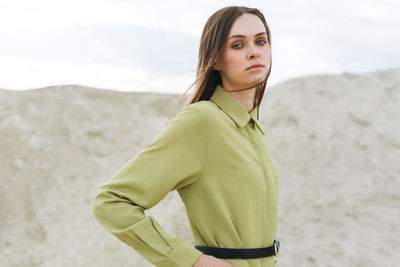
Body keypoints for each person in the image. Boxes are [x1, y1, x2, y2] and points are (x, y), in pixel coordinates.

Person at [92, 5, 280, 267]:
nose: (254, 52)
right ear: (215, 59)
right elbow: (111, 202)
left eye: (261, 41)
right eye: (237, 45)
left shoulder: (255, 131)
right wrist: (193, 261)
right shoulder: (201, 121)